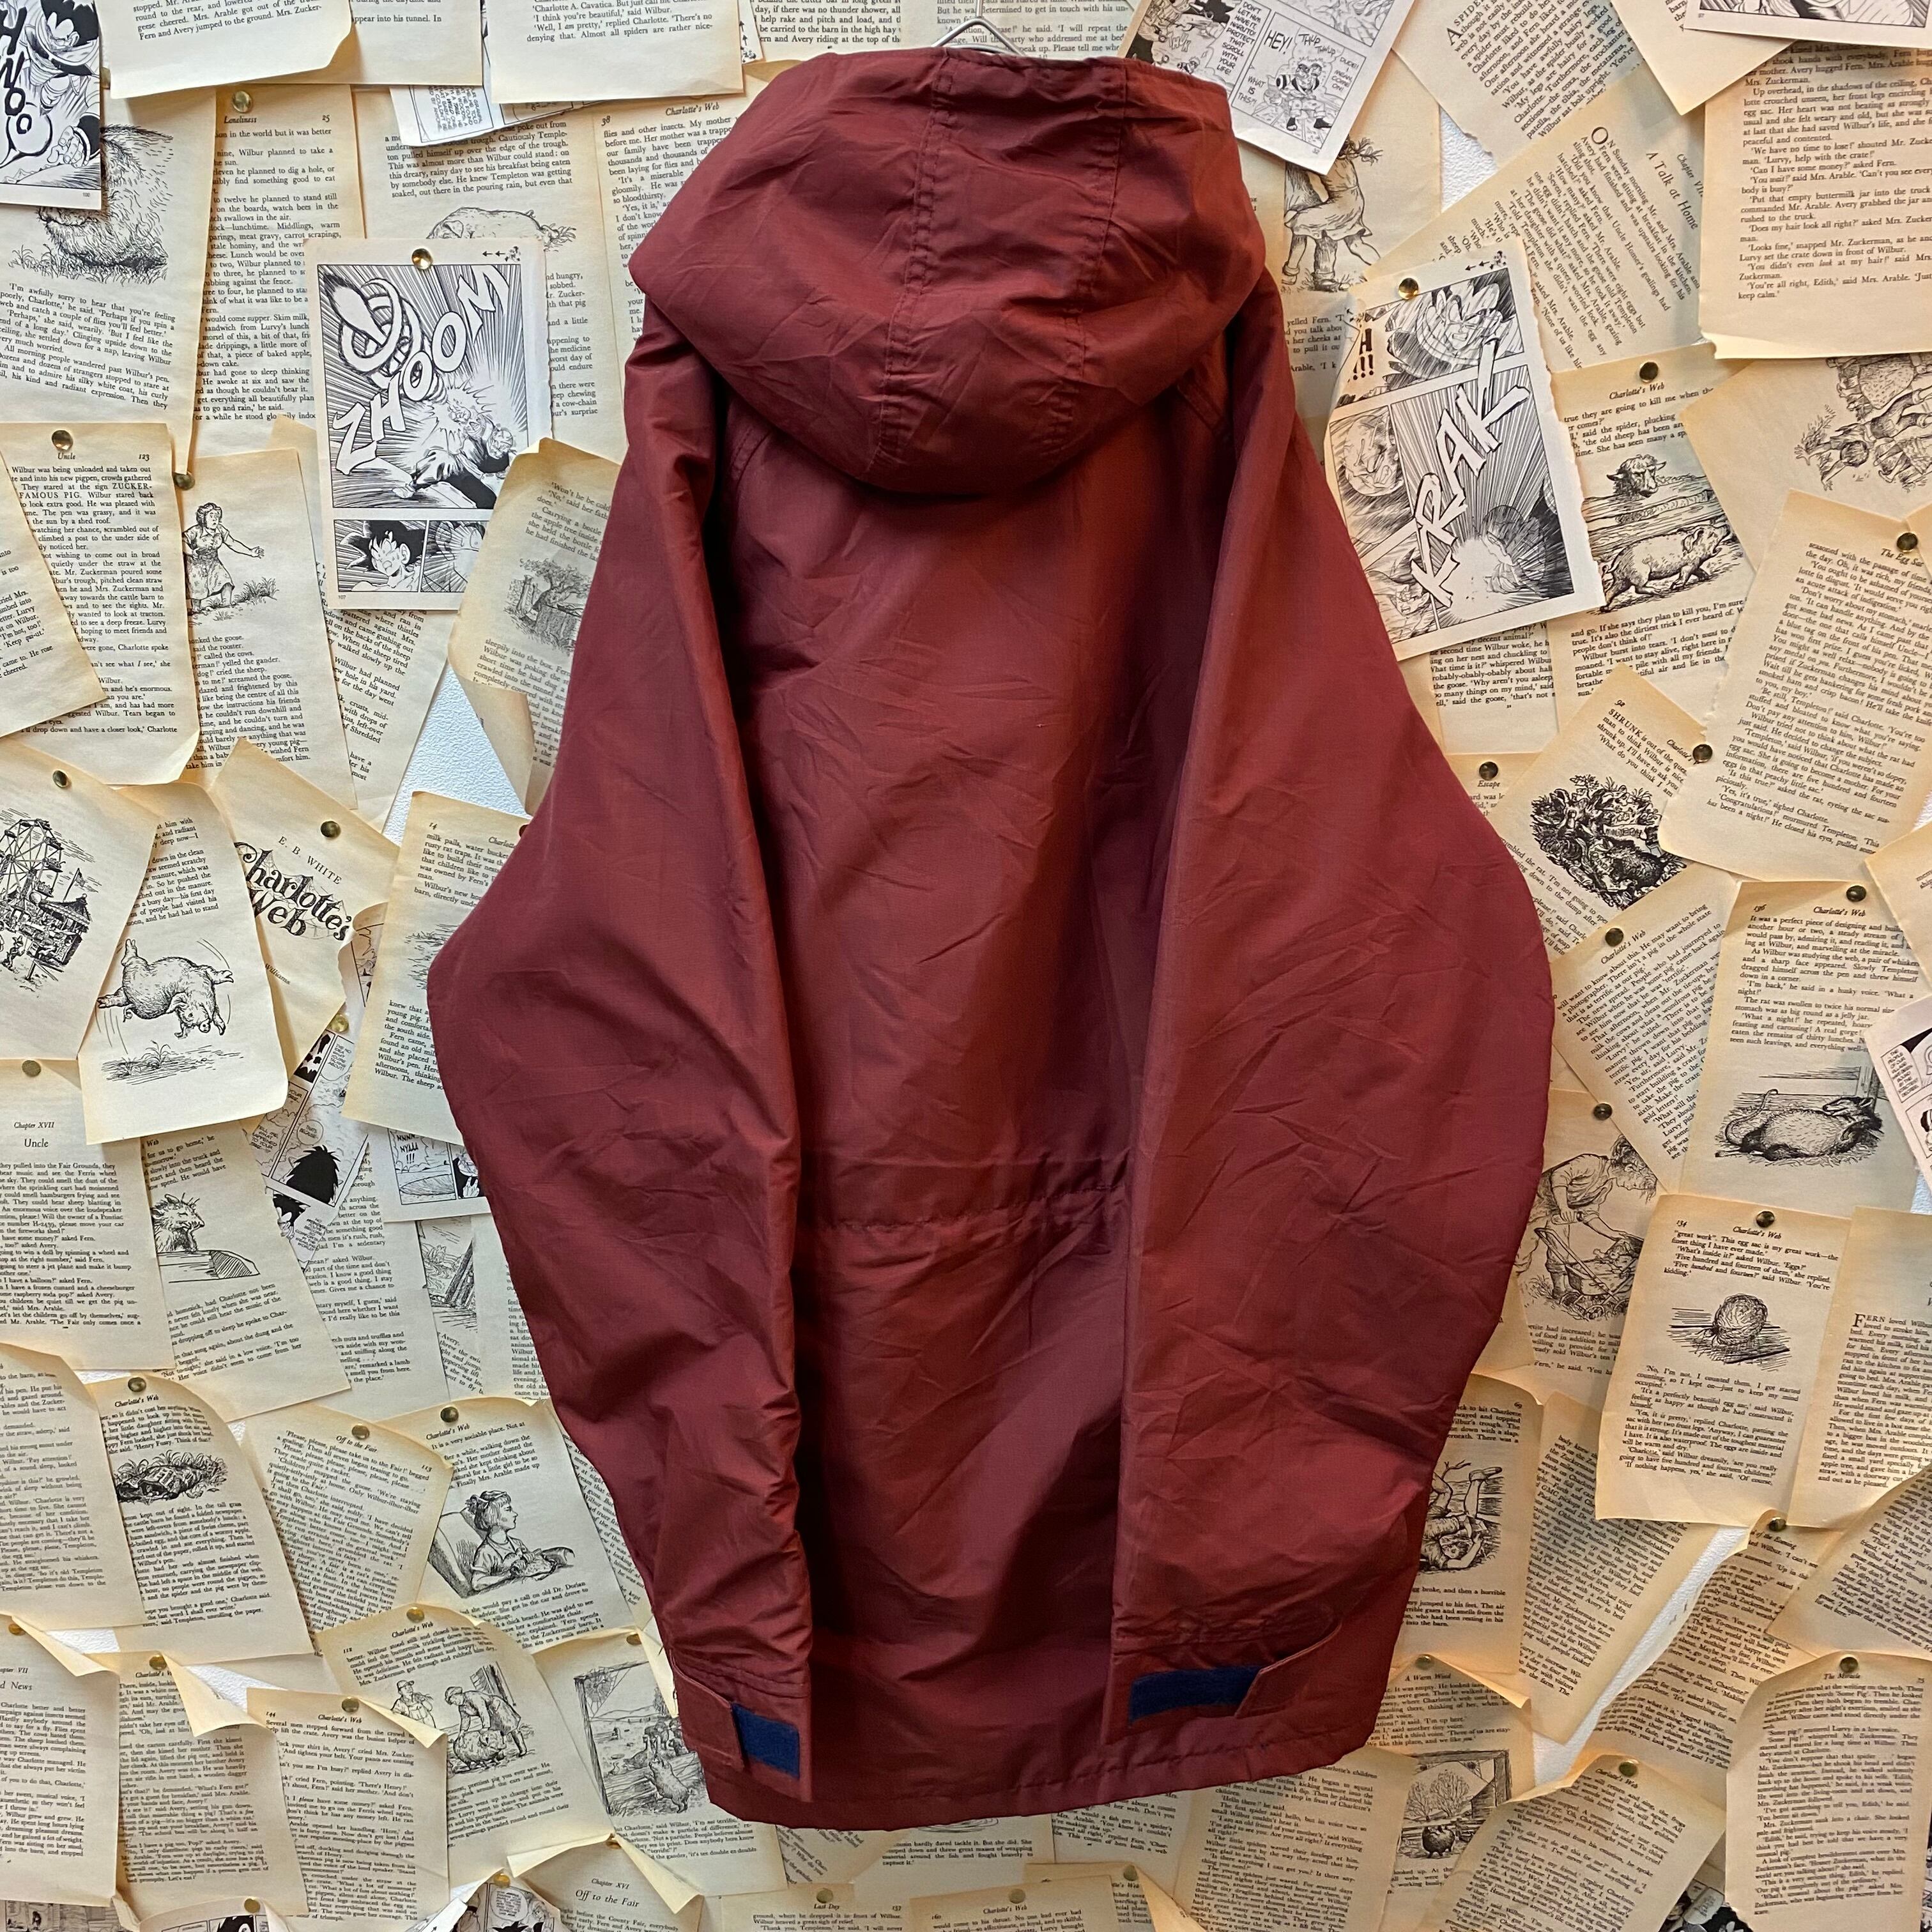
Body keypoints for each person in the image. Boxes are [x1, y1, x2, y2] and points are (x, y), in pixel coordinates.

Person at [182, 502, 263, 613]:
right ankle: (197, 609)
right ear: (203, 518)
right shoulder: (195, 531)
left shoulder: (220, 530)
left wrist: (250, 552)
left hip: (213, 563)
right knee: (198, 589)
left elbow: (232, 543)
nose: (215, 519)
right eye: (211, 516)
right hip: (196, 564)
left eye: (217, 516)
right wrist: (191, 552)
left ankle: (226, 606)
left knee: (226, 582)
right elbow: (181, 541)